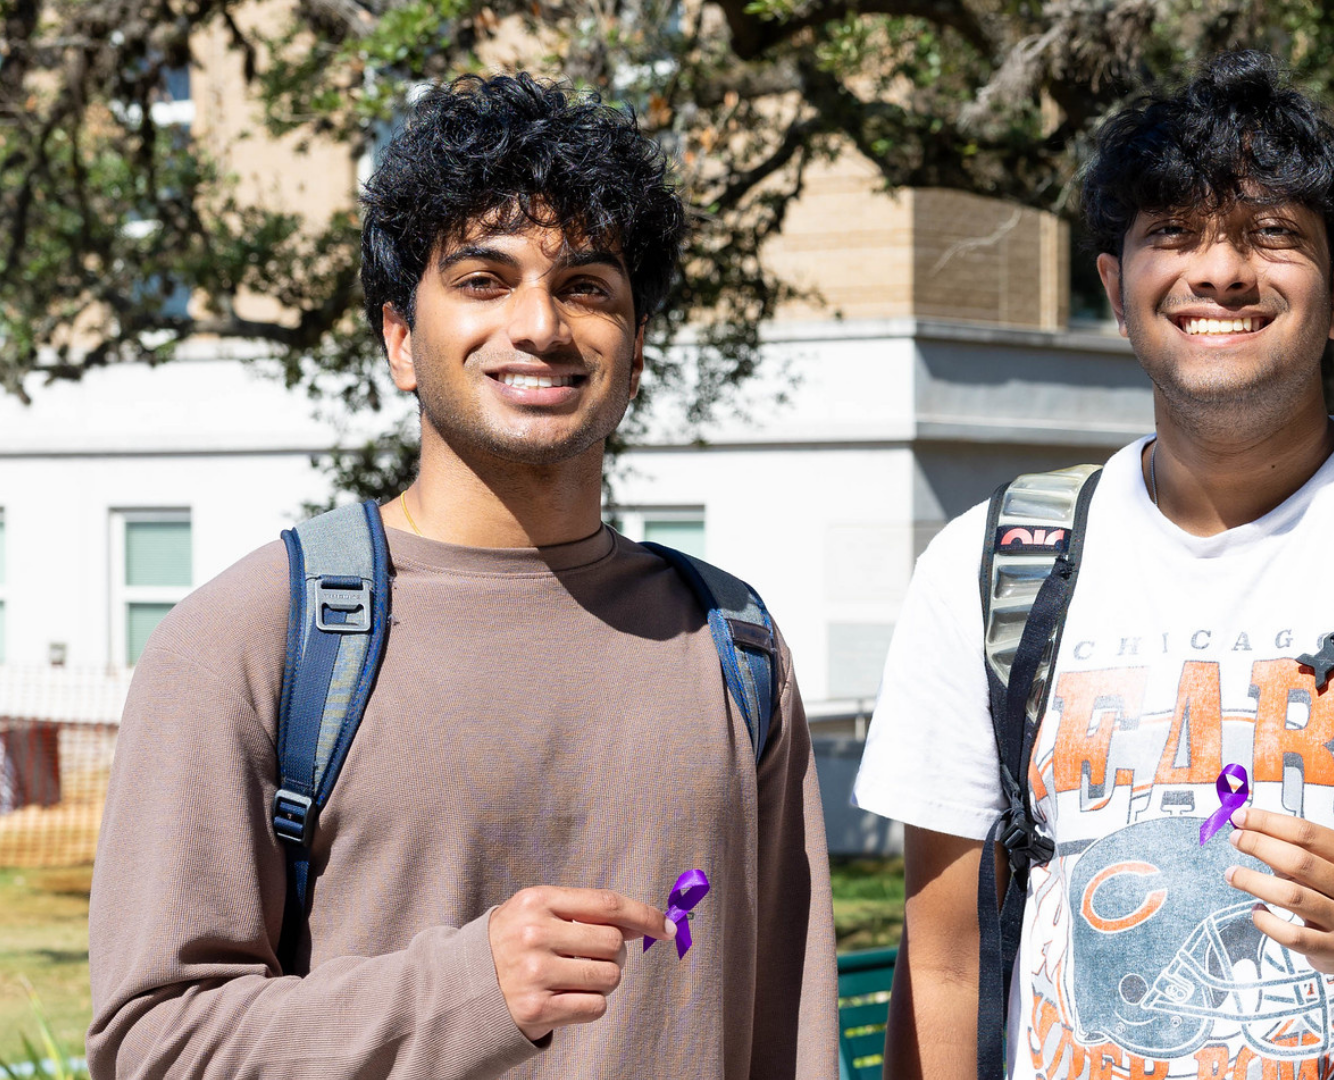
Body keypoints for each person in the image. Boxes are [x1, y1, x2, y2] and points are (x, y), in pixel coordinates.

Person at [853, 51, 1334, 1080]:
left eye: (1271, 233)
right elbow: (942, 962)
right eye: (1173, 233)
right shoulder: (986, 570)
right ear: (1116, 289)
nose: (1220, 270)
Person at [88, 74, 837, 1079]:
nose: (539, 324)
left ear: (638, 348)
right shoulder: (253, 638)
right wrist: (469, 988)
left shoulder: (732, 643)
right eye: (483, 280)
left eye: (585, 287)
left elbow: (787, 1034)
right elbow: (152, 1045)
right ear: (401, 338)